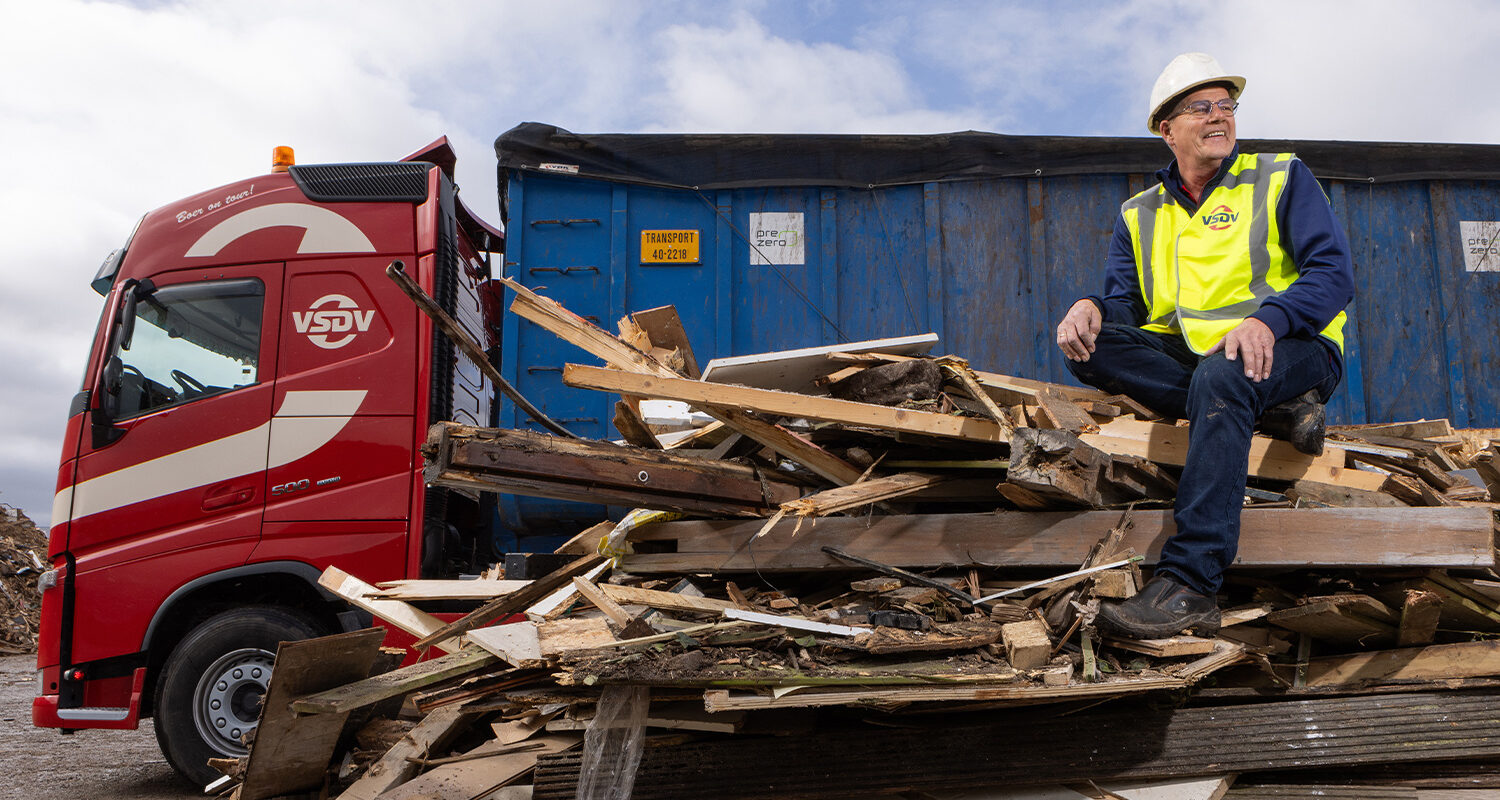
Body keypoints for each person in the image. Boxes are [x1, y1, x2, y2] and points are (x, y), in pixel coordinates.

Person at [1055, 53, 1354, 639]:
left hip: (1295, 347)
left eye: (1227, 106)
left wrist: (1270, 319)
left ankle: (1192, 583)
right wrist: (1091, 307)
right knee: (1093, 347)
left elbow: (1332, 273)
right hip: (1202, 358)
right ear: (1167, 130)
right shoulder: (1139, 213)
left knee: (1223, 376)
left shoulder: (1279, 176)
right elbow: (1131, 309)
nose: (1219, 117)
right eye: (1202, 107)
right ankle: (1276, 413)